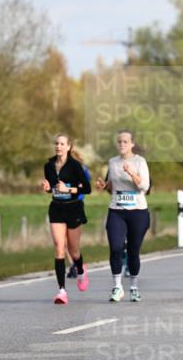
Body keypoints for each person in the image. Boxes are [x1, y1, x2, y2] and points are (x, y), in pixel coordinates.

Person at [95, 130, 151, 302]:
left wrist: (131, 173)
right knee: (116, 247)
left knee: (133, 251)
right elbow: (113, 186)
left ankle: (133, 287)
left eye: (125, 141)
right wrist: (104, 186)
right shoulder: (112, 162)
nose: (121, 144)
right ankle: (117, 287)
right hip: (117, 210)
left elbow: (145, 187)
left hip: (138, 212)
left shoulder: (140, 161)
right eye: (119, 141)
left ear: (132, 144)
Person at [42, 133, 91, 303]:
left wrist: (68, 190)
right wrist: (48, 187)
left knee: (74, 251)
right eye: (56, 143)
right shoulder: (49, 165)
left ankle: (81, 270)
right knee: (59, 248)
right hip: (56, 208)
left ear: (69, 147)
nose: (58, 146)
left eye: (62, 144)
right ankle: (61, 291)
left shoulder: (75, 166)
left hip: (74, 209)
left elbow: (87, 189)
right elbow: (51, 188)